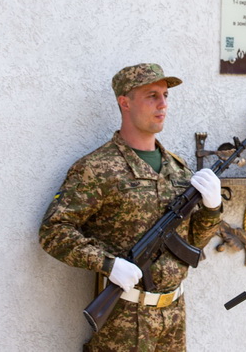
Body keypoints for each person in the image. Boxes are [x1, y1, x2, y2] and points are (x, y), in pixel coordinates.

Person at [39, 63, 223, 351]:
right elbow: (54, 231)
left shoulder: (178, 169)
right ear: (124, 102)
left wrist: (213, 209)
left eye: (165, 95)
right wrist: (108, 265)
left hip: (173, 315)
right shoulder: (97, 168)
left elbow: (193, 244)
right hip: (124, 320)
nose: (163, 104)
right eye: (152, 95)